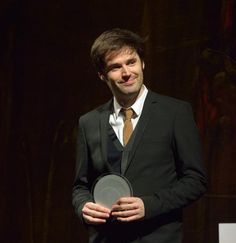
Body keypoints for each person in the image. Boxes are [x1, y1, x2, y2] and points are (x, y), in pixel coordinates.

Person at [72, 28, 207, 243]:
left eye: (131, 62)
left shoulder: (175, 113)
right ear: (102, 75)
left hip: (158, 237)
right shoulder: (89, 122)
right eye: (116, 67)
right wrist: (83, 207)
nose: (126, 73)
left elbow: (196, 180)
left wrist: (149, 205)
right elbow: (81, 186)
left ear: (142, 63)